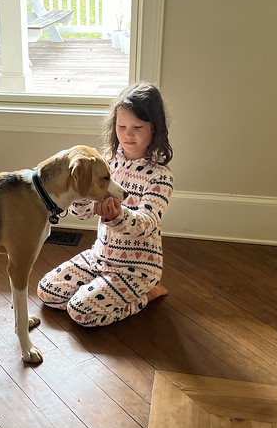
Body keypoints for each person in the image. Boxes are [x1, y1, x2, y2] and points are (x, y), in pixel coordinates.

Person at [37, 82, 174, 326]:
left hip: (136, 270)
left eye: (137, 127)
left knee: (80, 312)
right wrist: (79, 194)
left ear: (154, 129)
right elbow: (82, 214)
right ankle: (99, 288)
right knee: (47, 290)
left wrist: (118, 216)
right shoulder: (106, 163)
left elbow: (147, 224)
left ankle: (146, 296)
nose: (128, 134)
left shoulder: (160, 176)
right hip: (98, 258)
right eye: (122, 126)